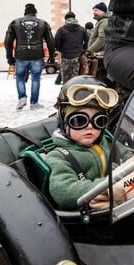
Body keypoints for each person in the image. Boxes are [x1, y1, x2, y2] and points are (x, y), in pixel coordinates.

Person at [45, 76, 120, 210]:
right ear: (64, 123)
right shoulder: (58, 156)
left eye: (99, 121)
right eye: (80, 120)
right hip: (90, 214)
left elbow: (130, 159)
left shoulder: (106, 142)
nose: (90, 127)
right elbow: (63, 191)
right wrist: (109, 184)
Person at [5, 3, 55, 110]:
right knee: (36, 79)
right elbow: (50, 40)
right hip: (37, 55)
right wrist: (51, 55)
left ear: (25, 13)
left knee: (19, 77)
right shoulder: (43, 23)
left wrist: (9, 56)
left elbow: (8, 41)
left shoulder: (15, 23)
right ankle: (34, 103)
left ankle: (22, 98)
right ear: (35, 13)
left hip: (21, 55)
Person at [54, 11, 88, 86]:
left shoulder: (61, 30)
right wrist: (83, 50)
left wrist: (61, 50)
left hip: (65, 56)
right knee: (77, 79)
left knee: (65, 80)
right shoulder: (82, 29)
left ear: (65, 19)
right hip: (78, 57)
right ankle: (75, 95)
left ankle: (66, 95)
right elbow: (87, 41)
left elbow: (57, 43)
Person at [87, 2, 110, 79]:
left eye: (96, 10)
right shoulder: (101, 21)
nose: (94, 12)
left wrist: (90, 50)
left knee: (100, 76)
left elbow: (102, 39)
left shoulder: (104, 21)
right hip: (100, 54)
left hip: (101, 54)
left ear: (103, 11)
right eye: (94, 10)